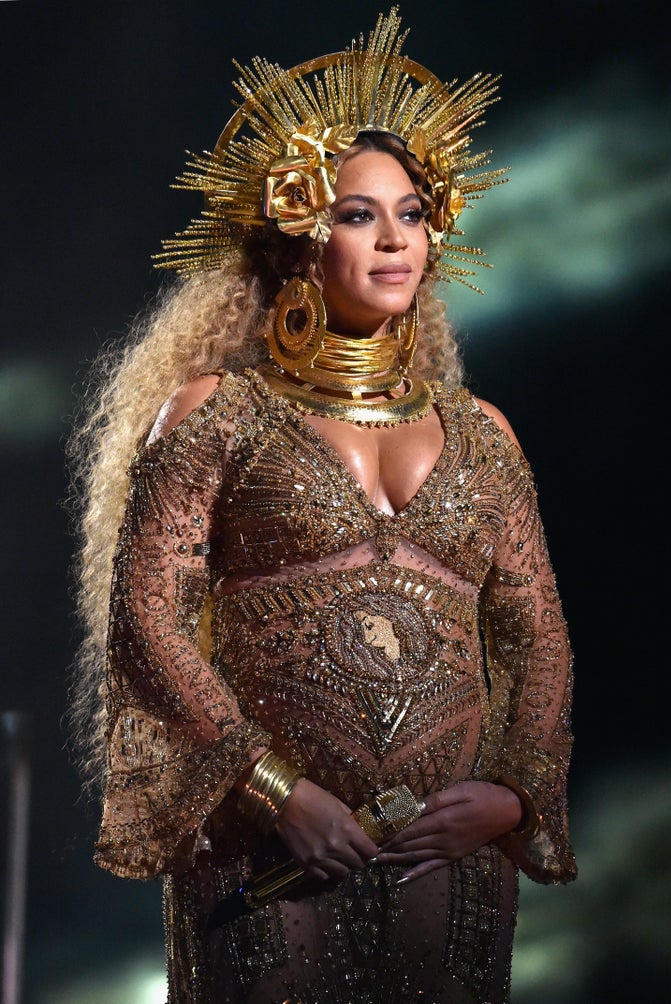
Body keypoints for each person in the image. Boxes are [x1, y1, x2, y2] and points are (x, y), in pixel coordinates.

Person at [67, 8, 577, 1002]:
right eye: (357, 213)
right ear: (300, 233)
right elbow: (145, 619)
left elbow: (538, 639)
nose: (394, 237)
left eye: (412, 212)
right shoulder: (220, 413)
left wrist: (512, 795)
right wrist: (274, 791)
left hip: (448, 858)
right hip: (272, 857)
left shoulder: (485, 432)